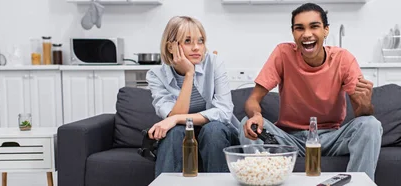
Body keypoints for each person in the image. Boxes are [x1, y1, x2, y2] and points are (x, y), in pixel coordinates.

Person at [239, 3, 383, 181]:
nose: (307, 34)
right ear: (293, 33)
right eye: (300, 28)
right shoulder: (283, 54)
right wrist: (255, 114)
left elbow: (362, 114)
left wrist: (366, 102)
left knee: (371, 124)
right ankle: (260, 181)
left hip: (331, 138)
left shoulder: (343, 59)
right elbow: (252, 100)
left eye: (314, 26)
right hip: (289, 140)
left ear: (326, 30)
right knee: (248, 123)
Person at [147, 16, 240, 177]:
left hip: (218, 134)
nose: (197, 47)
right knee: (175, 132)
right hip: (182, 135)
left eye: (201, 41)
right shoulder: (156, 75)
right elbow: (174, 118)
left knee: (213, 129)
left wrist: (175, 119)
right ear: (171, 47)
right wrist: (189, 74)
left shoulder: (214, 63)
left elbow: (224, 112)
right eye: (188, 41)